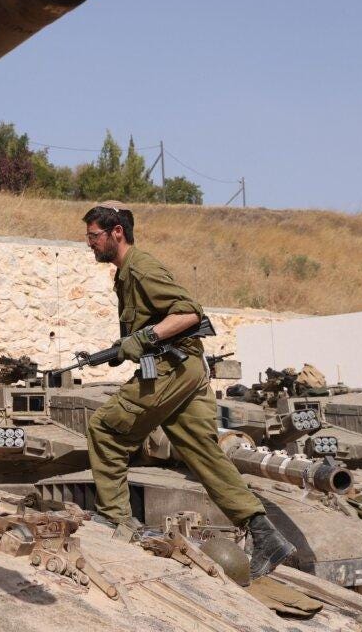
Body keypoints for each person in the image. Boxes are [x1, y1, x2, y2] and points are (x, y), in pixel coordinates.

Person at [81, 201, 296, 580]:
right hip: (187, 369)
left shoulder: (142, 268)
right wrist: (123, 349)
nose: (89, 243)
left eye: (94, 236)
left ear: (117, 233)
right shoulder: (124, 275)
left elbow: (190, 313)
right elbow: (153, 327)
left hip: (171, 369)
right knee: (202, 452)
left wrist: (143, 338)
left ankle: (117, 523)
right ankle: (266, 536)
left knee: (105, 430)